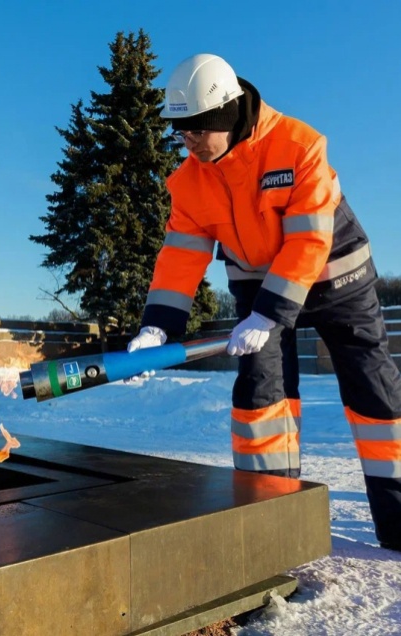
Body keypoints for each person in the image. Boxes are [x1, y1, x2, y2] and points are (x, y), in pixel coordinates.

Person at [127, 54, 401, 551]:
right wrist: (157, 325)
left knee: (373, 387)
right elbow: (181, 255)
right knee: (260, 393)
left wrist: (269, 313)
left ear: (226, 116)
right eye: (180, 132)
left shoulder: (298, 145)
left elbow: (309, 239)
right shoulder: (189, 181)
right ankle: (269, 526)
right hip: (258, 285)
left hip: (336, 276)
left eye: (196, 130)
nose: (187, 142)